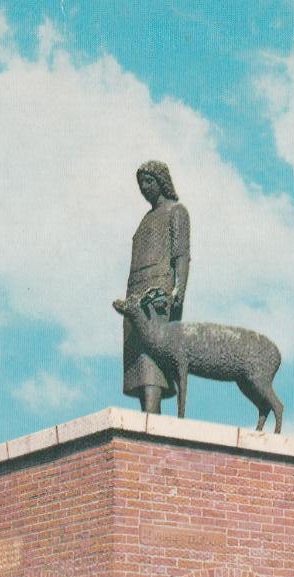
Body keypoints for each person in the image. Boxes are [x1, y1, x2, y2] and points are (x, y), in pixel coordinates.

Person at [123, 160, 190, 415]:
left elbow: (181, 255)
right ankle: (149, 417)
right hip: (135, 293)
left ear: (162, 182)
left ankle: (151, 421)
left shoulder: (176, 212)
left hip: (158, 292)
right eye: (140, 184)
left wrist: (178, 290)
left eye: (148, 181)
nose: (144, 188)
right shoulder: (145, 219)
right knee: (138, 360)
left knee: (153, 357)